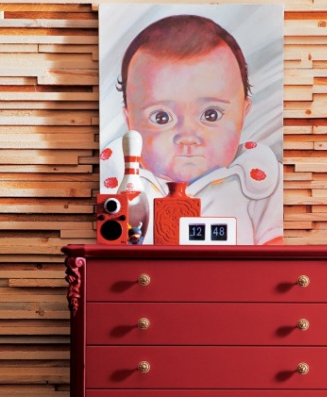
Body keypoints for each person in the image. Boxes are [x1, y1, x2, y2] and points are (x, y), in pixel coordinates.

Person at [99, 14, 283, 245]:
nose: (187, 137)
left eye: (211, 115)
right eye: (161, 117)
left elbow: (275, 259)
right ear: (130, 122)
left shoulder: (258, 179)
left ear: (243, 113)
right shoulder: (122, 178)